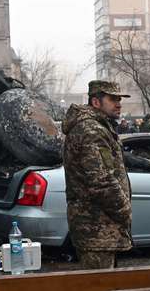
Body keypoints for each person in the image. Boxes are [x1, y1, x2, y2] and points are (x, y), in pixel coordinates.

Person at [62, 80, 132, 269]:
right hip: (96, 228)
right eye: (112, 99)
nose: (118, 104)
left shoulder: (98, 127)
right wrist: (125, 211)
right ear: (96, 102)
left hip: (100, 228)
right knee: (100, 284)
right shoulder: (91, 130)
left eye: (119, 99)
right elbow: (101, 181)